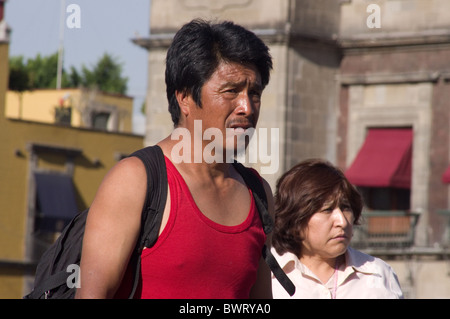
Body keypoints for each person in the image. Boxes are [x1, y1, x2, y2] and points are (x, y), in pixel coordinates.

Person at [75, 19, 274, 299]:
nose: (247, 107)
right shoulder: (136, 180)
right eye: (231, 91)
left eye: (255, 93)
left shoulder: (260, 195)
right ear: (184, 98)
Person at [271, 159, 404, 299]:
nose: (342, 221)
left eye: (345, 207)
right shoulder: (267, 278)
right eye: (327, 210)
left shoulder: (379, 275)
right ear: (294, 220)